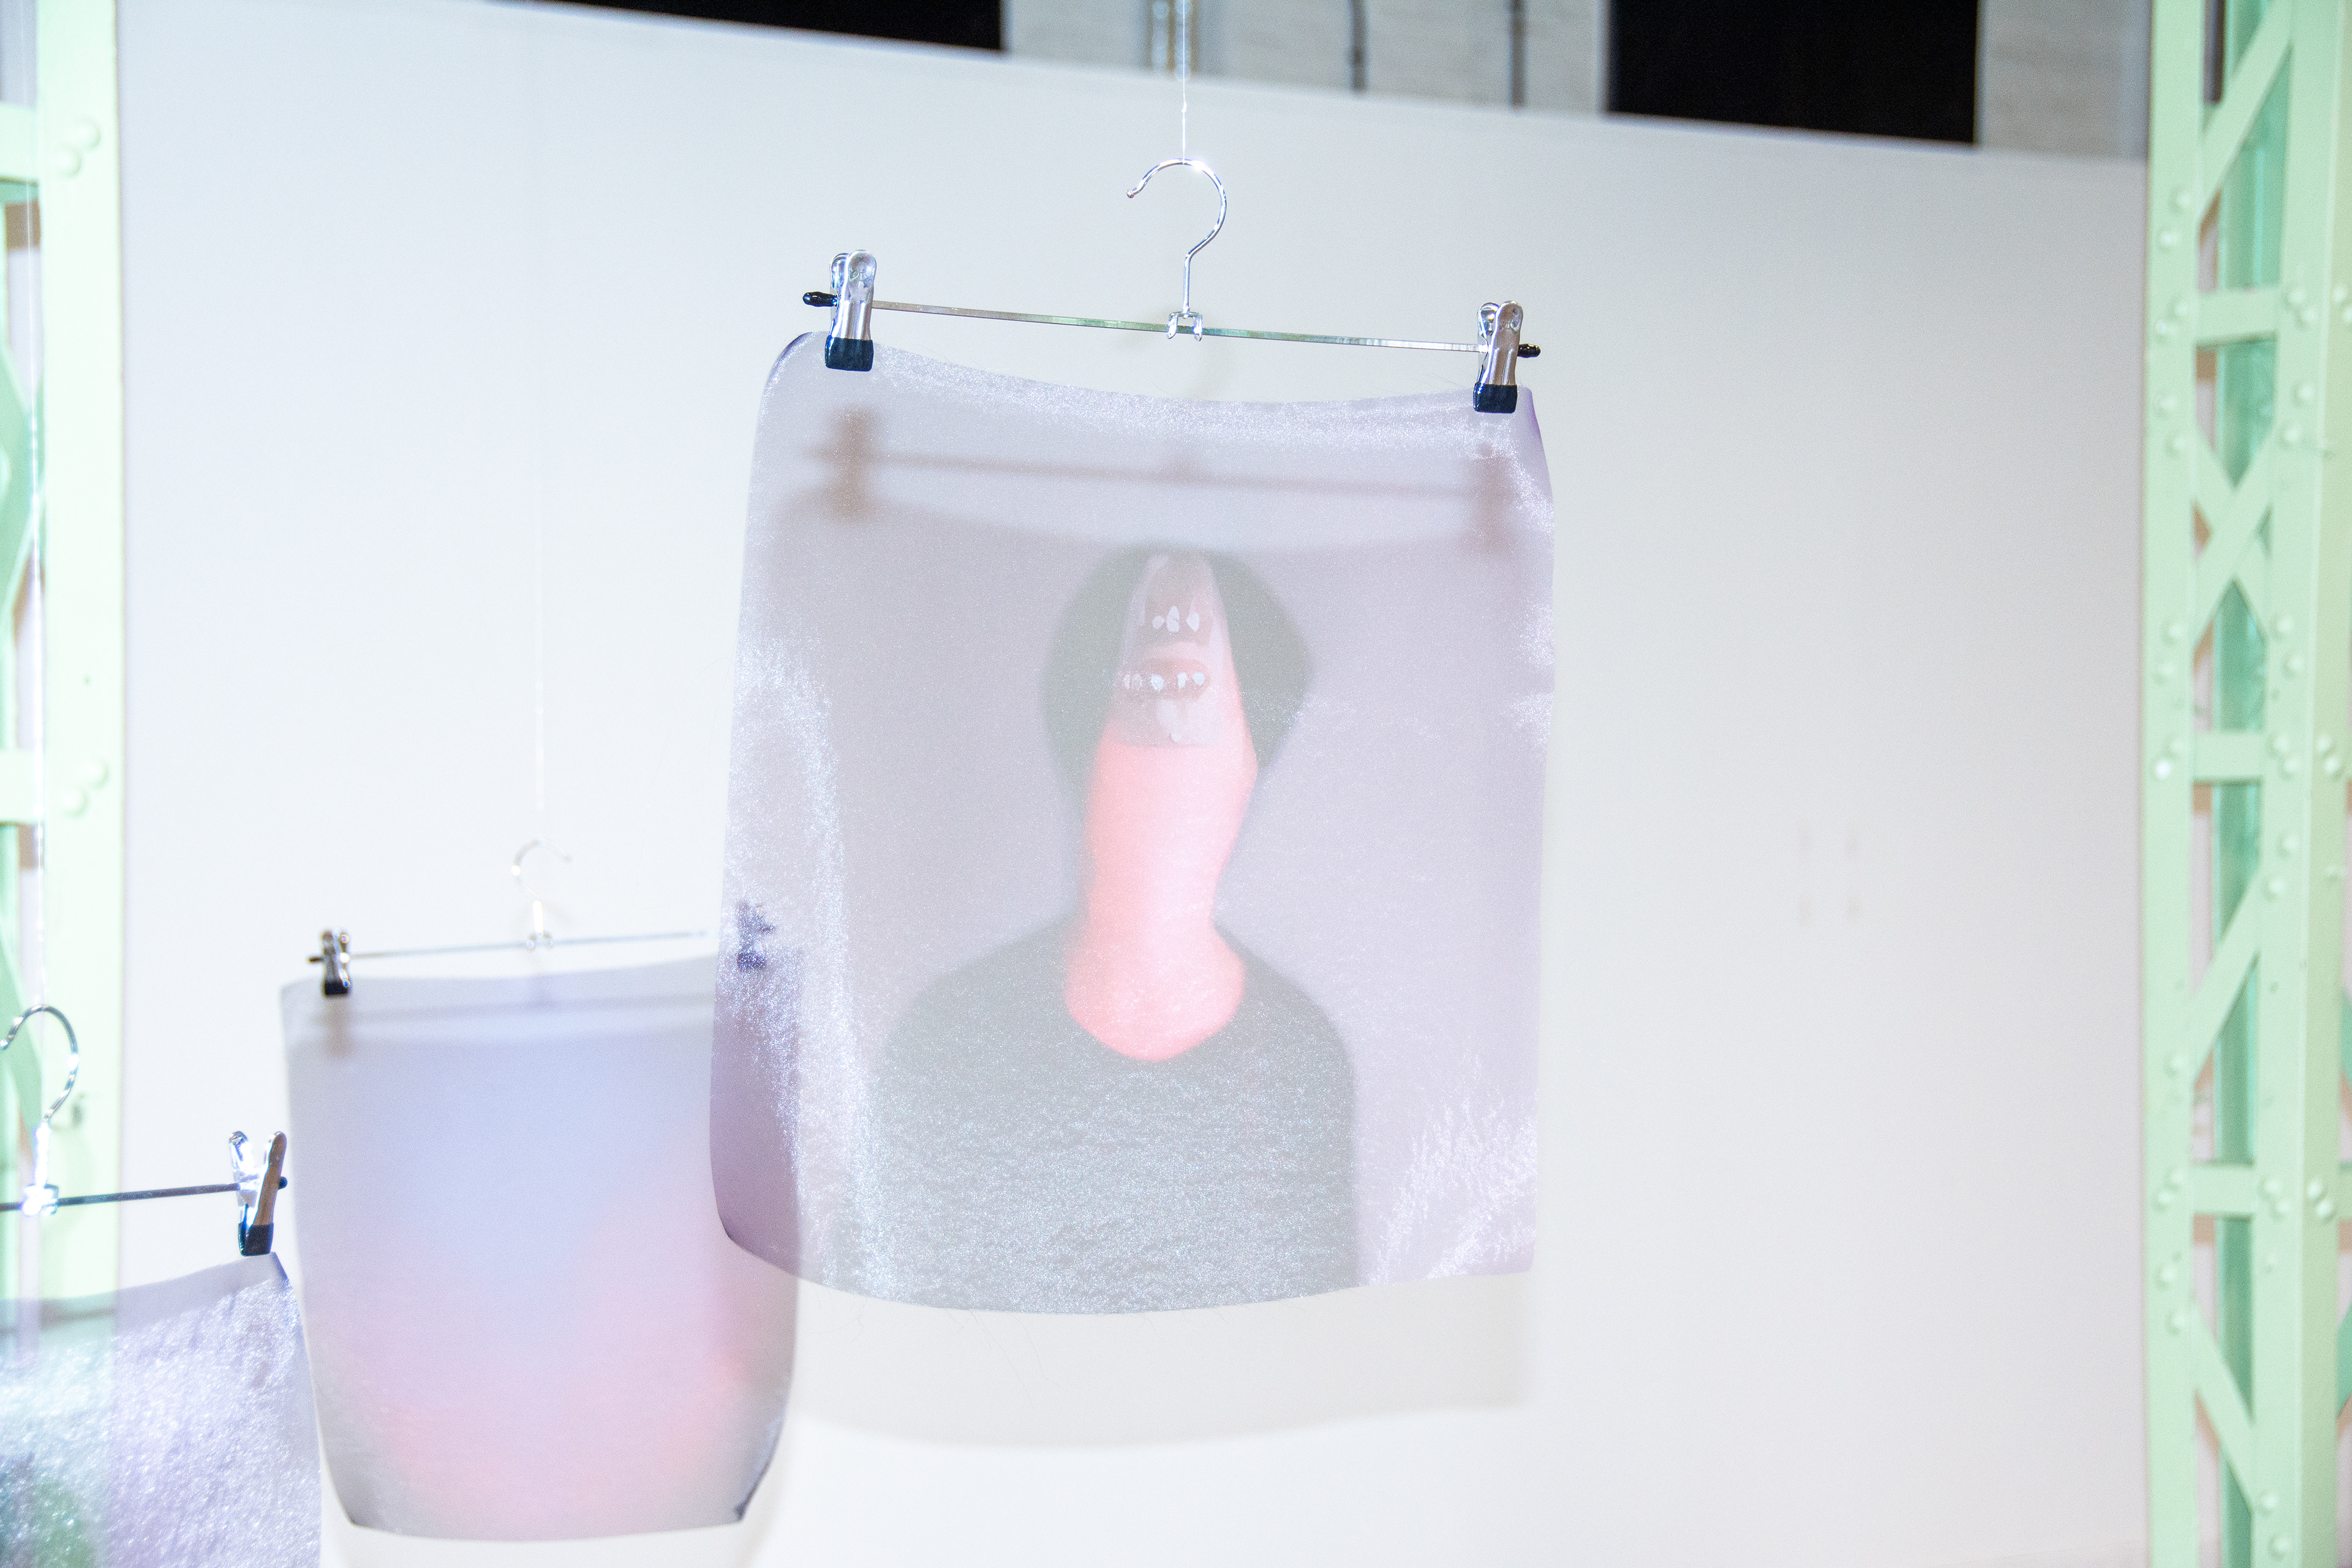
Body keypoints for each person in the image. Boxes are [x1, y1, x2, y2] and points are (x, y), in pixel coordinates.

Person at [849, 549, 1356, 1314]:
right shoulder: (951, 1032)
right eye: (1143, 702)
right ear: (1082, 739)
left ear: (1251, 763)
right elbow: (876, 1302)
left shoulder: (1298, 1058)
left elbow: (1321, 1338)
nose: (1168, 770)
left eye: (1196, 709)